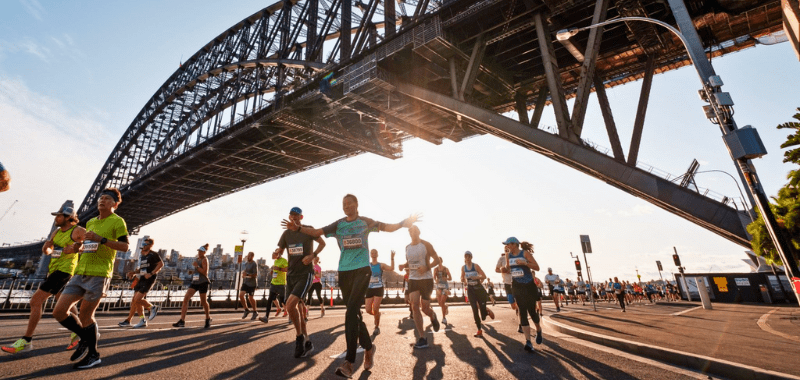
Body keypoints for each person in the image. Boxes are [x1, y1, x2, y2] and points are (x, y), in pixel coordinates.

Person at [286, 194, 418, 378]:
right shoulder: (339, 225)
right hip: (344, 273)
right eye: (344, 204)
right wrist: (298, 228)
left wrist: (403, 223)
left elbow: (386, 227)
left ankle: (349, 362)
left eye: (349, 203)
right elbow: (317, 232)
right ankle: (369, 348)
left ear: (357, 205)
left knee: (350, 313)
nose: (346, 206)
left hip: (362, 270)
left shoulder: (365, 222)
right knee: (354, 314)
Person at [53, 188, 129, 369]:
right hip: (80, 272)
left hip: (99, 274)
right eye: (101, 197)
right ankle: (86, 338)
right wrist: (78, 247)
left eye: (107, 198)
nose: (102, 200)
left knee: (86, 315)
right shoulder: (92, 221)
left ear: (115, 204)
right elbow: (89, 244)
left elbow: (125, 247)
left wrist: (101, 239)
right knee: (59, 312)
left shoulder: (118, 222)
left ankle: (94, 356)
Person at [2, 202, 84, 354]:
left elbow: (89, 243)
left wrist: (76, 247)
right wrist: (47, 249)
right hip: (53, 270)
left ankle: (26, 340)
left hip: (64, 270)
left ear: (68, 217)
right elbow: (47, 248)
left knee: (35, 301)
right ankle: (81, 332)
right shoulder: (56, 232)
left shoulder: (77, 230)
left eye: (59, 216)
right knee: (63, 303)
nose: (56, 218)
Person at [277, 207, 326, 358]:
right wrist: (277, 252)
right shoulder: (286, 233)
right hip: (291, 275)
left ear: (301, 217)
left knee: (291, 304)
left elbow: (322, 243)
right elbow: (280, 248)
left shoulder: (308, 230)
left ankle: (298, 338)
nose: (294, 218)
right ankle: (307, 340)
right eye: (292, 215)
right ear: (289, 217)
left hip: (305, 274)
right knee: (295, 308)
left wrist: (313, 256)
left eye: (297, 215)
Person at [398, 225, 441, 349]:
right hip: (413, 279)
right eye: (411, 231)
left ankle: (432, 315)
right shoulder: (407, 247)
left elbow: (437, 260)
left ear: (419, 232)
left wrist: (427, 267)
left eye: (415, 231)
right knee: (415, 305)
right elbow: (410, 262)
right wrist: (403, 265)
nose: (413, 233)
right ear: (409, 234)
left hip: (426, 279)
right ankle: (422, 337)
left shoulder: (426, 245)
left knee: (425, 308)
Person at [503, 238, 543, 352]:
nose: (507, 246)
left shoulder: (524, 253)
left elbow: (537, 267)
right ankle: (528, 341)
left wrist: (525, 263)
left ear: (514, 244)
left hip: (529, 285)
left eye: (508, 244)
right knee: (522, 311)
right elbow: (508, 269)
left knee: (532, 311)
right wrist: (504, 269)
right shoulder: (508, 255)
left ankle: (538, 330)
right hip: (516, 285)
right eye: (506, 245)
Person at [119, 237, 162, 328]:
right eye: (142, 244)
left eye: (145, 244)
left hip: (148, 279)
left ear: (150, 245)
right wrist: (134, 273)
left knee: (137, 299)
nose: (143, 246)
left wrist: (151, 273)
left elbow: (161, 264)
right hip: (140, 278)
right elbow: (141, 268)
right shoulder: (142, 255)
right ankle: (141, 320)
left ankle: (152, 307)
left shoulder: (153, 254)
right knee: (134, 301)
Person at [173, 244, 212, 328]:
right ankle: (182, 320)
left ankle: (208, 318)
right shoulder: (196, 259)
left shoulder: (205, 260)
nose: (199, 253)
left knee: (203, 302)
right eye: (199, 251)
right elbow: (197, 271)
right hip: (195, 282)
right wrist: (192, 272)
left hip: (202, 282)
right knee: (186, 298)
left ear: (204, 252)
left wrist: (197, 266)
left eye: (201, 252)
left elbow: (205, 272)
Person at [461, 251, 494, 337]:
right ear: (464, 258)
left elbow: (484, 276)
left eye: (469, 257)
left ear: (471, 257)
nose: (467, 259)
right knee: (474, 310)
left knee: (483, 316)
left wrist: (476, 277)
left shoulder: (475, 266)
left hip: (479, 289)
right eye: (466, 257)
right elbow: (462, 277)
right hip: (471, 290)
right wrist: (464, 281)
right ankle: (479, 330)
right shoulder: (463, 268)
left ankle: (486, 312)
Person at [365, 249, 395, 332]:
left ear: (377, 254)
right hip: (369, 288)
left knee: (375, 308)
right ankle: (378, 315)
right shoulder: (367, 265)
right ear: (370, 255)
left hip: (379, 288)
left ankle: (376, 327)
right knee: (367, 310)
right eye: (372, 253)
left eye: (375, 253)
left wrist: (392, 258)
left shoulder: (381, 265)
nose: (374, 254)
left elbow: (392, 268)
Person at [259, 248, 288, 323]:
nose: (274, 254)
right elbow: (276, 270)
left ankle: (290, 315)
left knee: (283, 301)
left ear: (280, 253)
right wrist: (272, 272)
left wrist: (280, 268)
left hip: (281, 284)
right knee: (269, 300)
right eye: (274, 252)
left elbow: (287, 269)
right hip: (274, 283)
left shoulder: (284, 260)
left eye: (275, 253)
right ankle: (266, 317)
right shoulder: (275, 261)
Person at [496, 251, 520, 332]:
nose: (507, 251)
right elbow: (496, 269)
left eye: (509, 250)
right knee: (513, 305)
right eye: (506, 250)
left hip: (516, 282)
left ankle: (520, 324)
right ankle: (517, 308)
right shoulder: (502, 259)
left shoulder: (515, 258)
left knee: (519, 303)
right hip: (507, 283)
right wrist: (503, 270)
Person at [240, 252, 259, 320]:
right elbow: (244, 272)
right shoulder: (246, 263)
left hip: (252, 284)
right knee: (241, 295)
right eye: (247, 256)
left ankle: (255, 311)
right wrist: (243, 275)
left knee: (250, 298)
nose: (248, 257)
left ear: (252, 256)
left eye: (249, 256)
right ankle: (246, 309)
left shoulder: (254, 264)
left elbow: (255, 274)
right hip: (245, 282)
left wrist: (247, 275)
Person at [432, 257, 451, 325]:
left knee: (442, 301)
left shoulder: (446, 269)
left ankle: (444, 318)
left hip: (445, 287)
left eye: (439, 261)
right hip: (438, 287)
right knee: (440, 304)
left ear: (442, 261)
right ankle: (445, 307)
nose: (438, 262)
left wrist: (446, 278)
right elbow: (434, 277)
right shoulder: (435, 269)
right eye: (437, 261)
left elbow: (450, 278)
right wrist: (435, 280)